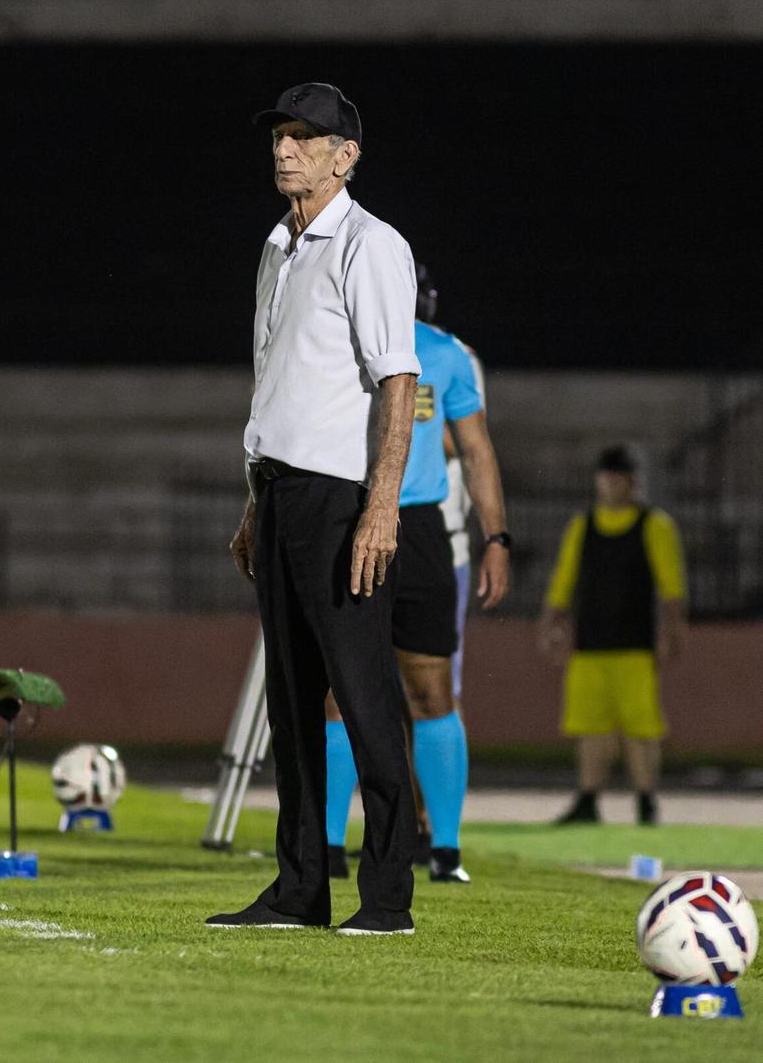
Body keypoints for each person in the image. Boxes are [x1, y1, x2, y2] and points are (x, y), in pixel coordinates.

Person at [206, 82, 421, 937]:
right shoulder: (276, 245)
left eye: (305, 137)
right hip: (282, 492)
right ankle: (300, 890)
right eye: (280, 136)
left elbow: (397, 379)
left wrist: (382, 507)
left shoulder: (370, 245)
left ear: (346, 155)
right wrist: (255, 495)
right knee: (291, 705)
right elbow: (279, 379)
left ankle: (388, 899)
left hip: (341, 501)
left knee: (366, 702)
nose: (285, 149)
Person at [325, 267, 510, 884]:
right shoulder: (335, 340)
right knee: (337, 693)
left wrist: (496, 537)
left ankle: (446, 850)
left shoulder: (445, 354)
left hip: (423, 534)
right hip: (349, 521)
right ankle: (326, 844)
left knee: (431, 691)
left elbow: (476, 448)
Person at [538, 444, 688, 825]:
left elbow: (672, 587)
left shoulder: (655, 526)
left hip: (634, 646)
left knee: (641, 728)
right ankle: (588, 799)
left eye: (620, 478)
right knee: (589, 727)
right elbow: (563, 579)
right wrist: (551, 623)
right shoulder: (582, 526)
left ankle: (646, 800)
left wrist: (672, 631)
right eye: (606, 477)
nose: (612, 485)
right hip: (588, 646)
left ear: (634, 482)